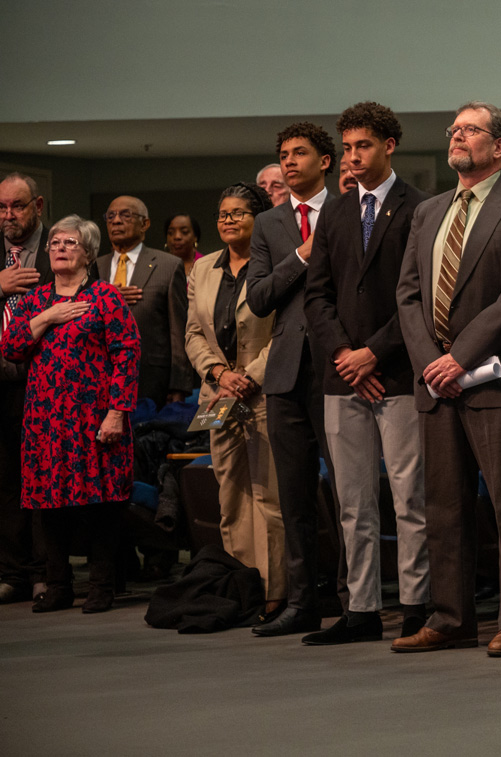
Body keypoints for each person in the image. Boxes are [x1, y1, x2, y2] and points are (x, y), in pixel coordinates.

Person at [394, 101, 501, 656]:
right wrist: (431, 366)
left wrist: (459, 357)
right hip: (437, 385)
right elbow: (408, 292)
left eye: (470, 130)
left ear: (499, 145)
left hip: (493, 379)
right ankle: (452, 617)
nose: (457, 136)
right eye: (454, 129)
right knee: (443, 507)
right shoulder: (429, 210)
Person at [303, 101, 431, 646]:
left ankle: (419, 606)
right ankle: (361, 610)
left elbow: (420, 298)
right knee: (351, 501)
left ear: (388, 146)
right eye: (348, 148)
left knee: (409, 498)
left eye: (364, 147)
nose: (353, 158)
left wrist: (373, 356)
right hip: (341, 377)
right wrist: (345, 359)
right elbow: (318, 295)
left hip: (398, 373)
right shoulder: (334, 211)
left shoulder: (420, 207)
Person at [1, 215, 140, 614]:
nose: (60, 248)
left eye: (70, 243)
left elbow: (127, 355)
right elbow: (11, 347)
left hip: (94, 417)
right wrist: (46, 318)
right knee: (50, 505)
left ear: (89, 253)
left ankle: (100, 587)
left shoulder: (105, 298)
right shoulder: (36, 300)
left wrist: (117, 412)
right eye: (55, 243)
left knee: (101, 505)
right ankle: (58, 586)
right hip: (45, 420)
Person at [246, 122, 342, 637]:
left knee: (349, 494)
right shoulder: (270, 225)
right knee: (295, 497)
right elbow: (260, 297)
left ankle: (355, 600)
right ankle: (302, 602)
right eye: (283, 155)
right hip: (284, 371)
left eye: (299, 153)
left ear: (324, 160)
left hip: (337, 367)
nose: (289, 162)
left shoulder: (349, 211)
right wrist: (301, 255)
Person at [185, 183, 286, 614]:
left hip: (263, 392)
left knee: (268, 497)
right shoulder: (203, 268)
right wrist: (220, 373)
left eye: (239, 213)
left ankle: (276, 591)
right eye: (223, 214)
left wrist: (250, 376)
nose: (228, 220)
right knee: (230, 495)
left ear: (259, 219)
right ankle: (243, 588)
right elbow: (192, 333)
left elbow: (285, 330)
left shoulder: (275, 265)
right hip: (218, 395)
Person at [0, 173, 52, 605]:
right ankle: (11, 572)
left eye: (17, 206)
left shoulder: (58, 246)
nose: (8, 215)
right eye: (1, 207)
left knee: (40, 477)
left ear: (37, 205)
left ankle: (44, 572)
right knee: (4, 481)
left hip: (41, 380)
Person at [97, 196, 191, 409]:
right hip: (100, 378)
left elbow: (179, 330)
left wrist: (179, 385)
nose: (116, 221)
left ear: (145, 224)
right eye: (110, 216)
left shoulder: (168, 265)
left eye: (126, 215)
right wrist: (109, 299)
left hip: (150, 379)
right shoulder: (94, 267)